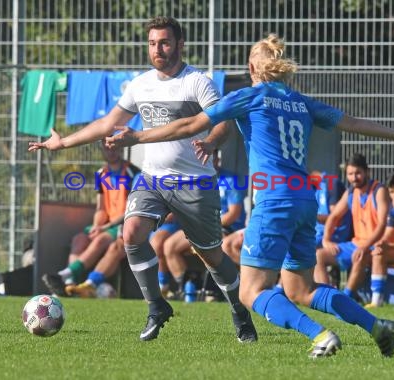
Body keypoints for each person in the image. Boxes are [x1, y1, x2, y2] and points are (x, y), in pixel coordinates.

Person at [105, 34, 394, 357]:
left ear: (252, 67)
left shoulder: (250, 96)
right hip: (304, 199)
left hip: (274, 200)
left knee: (251, 292)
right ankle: (376, 326)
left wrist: (139, 136)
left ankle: (320, 336)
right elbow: (352, 122)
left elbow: (190, 125)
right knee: (301, 288)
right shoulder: (300, 101)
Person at [29, 16, 257, 343]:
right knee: (131, 232)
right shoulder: (141, 84)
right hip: (153, 181)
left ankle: (238, 308)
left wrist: (211, 142)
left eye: (164, 42)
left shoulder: (198, 82)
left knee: (212, 258)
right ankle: (156, 306)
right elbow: (109, 122)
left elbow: (224, 125)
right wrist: (63, 142)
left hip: (195, 184)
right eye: (152, 43)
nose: (158, 49)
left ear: (180, 44)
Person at [42, 142, 139, 296]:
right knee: (79, 239)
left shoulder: (133, 173)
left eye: (114, 147)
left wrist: (104, 228)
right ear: (102, 150)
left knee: (100, 240)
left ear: (121, 148)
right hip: (106, 225)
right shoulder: (101, 174)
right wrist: (96, 226)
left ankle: (65, 276)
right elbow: (100, 208)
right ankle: (69, 286)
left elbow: (131, 210)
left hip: (123, 224)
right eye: (107, 148)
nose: (111, 151)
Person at [162, 150, 246, 297]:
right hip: (200, 227)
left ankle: (222, 289)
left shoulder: (231, 180)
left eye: (210, 155)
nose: (206, 159)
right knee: (169, 246)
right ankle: (187, 288)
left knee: (210, 247)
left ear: (216, 158)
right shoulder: (196, 180)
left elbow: (234, 214)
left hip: (226, 227)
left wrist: (207, 225)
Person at [315, 154, 390, 302]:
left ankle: (347, 298)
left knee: (361, 255)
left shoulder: (379, 190)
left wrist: (365, 247)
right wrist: (326, 240)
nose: (354, 177)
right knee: (319, 255)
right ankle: (327, 299)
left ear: (367, 172)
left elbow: (382, 224)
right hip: (356, 244)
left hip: (375, 244)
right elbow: (333, 217)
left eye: (358, 173)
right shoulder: (350, 192)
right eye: (350, 174)